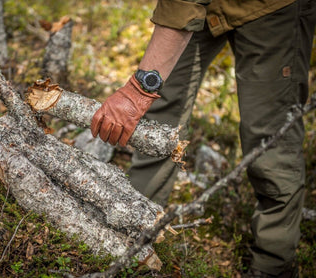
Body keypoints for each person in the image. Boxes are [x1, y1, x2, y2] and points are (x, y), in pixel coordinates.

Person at [90, 0, 316, 277]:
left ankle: (274, 265)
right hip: (204, 6)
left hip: (270, 7)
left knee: (269, 133)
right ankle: (134, 234)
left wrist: (138, 90)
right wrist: (148, 89)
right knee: (160, 112)